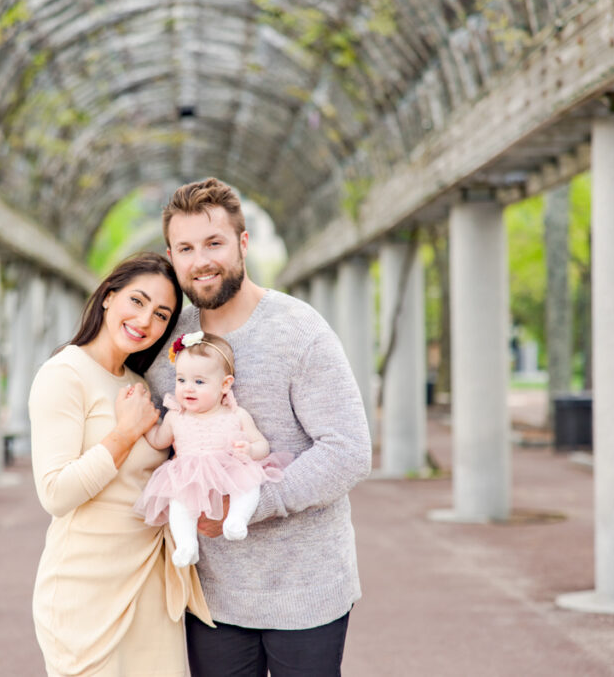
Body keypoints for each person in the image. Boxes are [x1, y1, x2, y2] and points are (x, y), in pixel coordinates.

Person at [145, 178, 372, 676]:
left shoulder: (299, 329)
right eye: (186, 248)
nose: (200, 260)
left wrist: (251, 503)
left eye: (214, 243)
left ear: (242, 244)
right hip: (211, 596)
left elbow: (349, 450)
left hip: (306, 588)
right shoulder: (169, 345)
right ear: (171, 256)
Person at [29, 252, 212, 677]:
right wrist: (124, 435)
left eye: (162, 314)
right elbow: (55, 494)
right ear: (109, 297)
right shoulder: (64, 374)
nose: (146, 320)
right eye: (138, 300)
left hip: (149, 580)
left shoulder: (138, 383)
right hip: (86, 589)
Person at [134, 331, 290, 568]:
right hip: (189, 477)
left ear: (225, 385)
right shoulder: (176, 416)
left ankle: (237, 519)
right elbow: (158, 440)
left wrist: (249, 450)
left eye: (199, 382)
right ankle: (187, 544)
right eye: (181, 380)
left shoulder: (236, 414)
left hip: (229, 470)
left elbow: (262, 446)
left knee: (248, 486)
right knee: (179, 503)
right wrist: (142, 423)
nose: (187, 389)